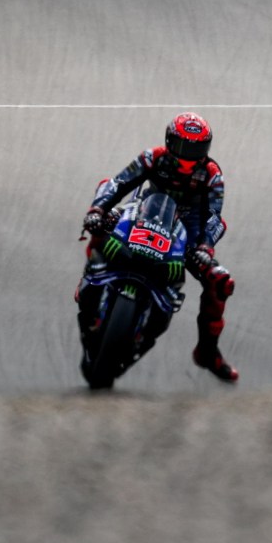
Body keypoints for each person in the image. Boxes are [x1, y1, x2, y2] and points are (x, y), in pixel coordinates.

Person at [79, 112, 239, 381]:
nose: (188, 156)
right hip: (142, 212)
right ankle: (90, 277)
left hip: (187, 233)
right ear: (169, 141)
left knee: (221, 281)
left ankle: (207, 352)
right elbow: (117, 183)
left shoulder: (212, 175)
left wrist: (205, 248)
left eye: (196, 149)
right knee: (102, 219)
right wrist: (97, 210)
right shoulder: (152, 157)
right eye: (183, 146)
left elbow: (214, 217)